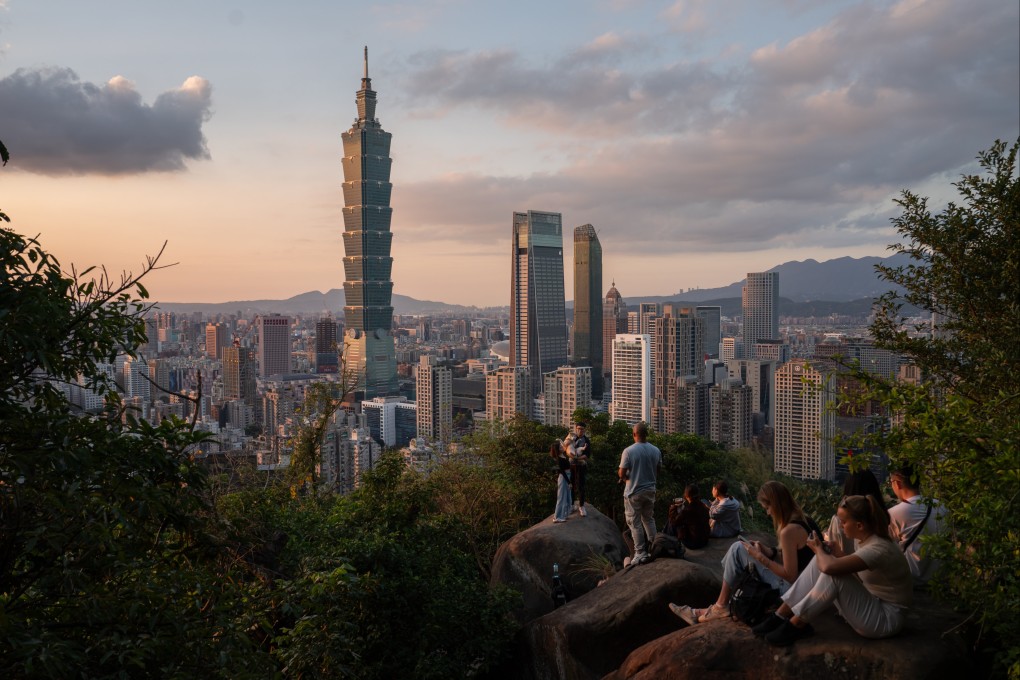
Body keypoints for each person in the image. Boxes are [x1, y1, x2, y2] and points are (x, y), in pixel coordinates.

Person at [753, 495, 913, 646]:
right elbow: (858, 572)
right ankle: (781, 613)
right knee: (820, 559)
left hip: (885, 619)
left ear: (859, 525)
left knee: (831, 572)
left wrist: (818, 549)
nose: (841, 526)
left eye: (843, 522)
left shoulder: (878, 548)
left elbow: (830, 568)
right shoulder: (865, 538)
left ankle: (797, 623)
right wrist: (837, 552)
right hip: (872, 601)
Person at [669, 480, 814, 624]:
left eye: (767, 508)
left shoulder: (789, 531)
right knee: (738, 547)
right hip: (804, 586)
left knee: (738, 549)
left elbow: (790, 575)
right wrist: (769, 551)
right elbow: (798, 556)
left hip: (792, 591)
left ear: (776, 505)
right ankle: (719, 606)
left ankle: (720, 606)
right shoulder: (803, 519)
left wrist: (759, 557)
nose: (768, 513)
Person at [888, 465, 944, 586]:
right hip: (941, 583)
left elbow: (885, 548)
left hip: (911, 582)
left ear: (897, 484)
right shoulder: (942, 507)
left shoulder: (894, 513)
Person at [618, 422, 662, 565]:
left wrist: (625, 477)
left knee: (634, 522)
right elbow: (658, 469)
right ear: (646, 434)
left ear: (634, 434)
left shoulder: (629, 451)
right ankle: (656, 547)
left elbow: (621, 472)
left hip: (634, 492)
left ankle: (640, 552)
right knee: (649, 519)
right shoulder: (655, 450)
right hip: (650, 490)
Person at [826, 469, 884, 556]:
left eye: (844, 523)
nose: (841, 525)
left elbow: (831, 561)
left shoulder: (839, 519)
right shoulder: (883, 517)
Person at [665, 483, 711, 549]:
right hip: (704, 541)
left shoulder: (688, 510)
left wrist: (673, 508)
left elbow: (674, 522)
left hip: (693, 543)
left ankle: (666, 541)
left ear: (686, 496)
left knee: (670, 521)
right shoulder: (703, 506)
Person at [570, 422, 592, 516]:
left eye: (582, 429)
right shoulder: (572, 438)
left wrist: (577, 458)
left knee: (581, 486)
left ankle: (581, 506)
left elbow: (587, 455)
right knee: (571, 485)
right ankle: (571, 505)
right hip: (571, 465)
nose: (580, 430)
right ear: (576, 429)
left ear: (584, 430)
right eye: (578, 428)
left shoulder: (586, 440)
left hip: (581, 466)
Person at [551, 441, 572, 523]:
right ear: (557, 449)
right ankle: (557, 517)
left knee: (566, 496)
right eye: (560, 447)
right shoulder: (559, 459)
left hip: (567, 476)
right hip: (563, 477)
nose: (562, 447)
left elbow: (565, 445)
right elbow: (562, 471)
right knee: (561, 497)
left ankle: (564, 514)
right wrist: (569, 482)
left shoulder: (563, 455)